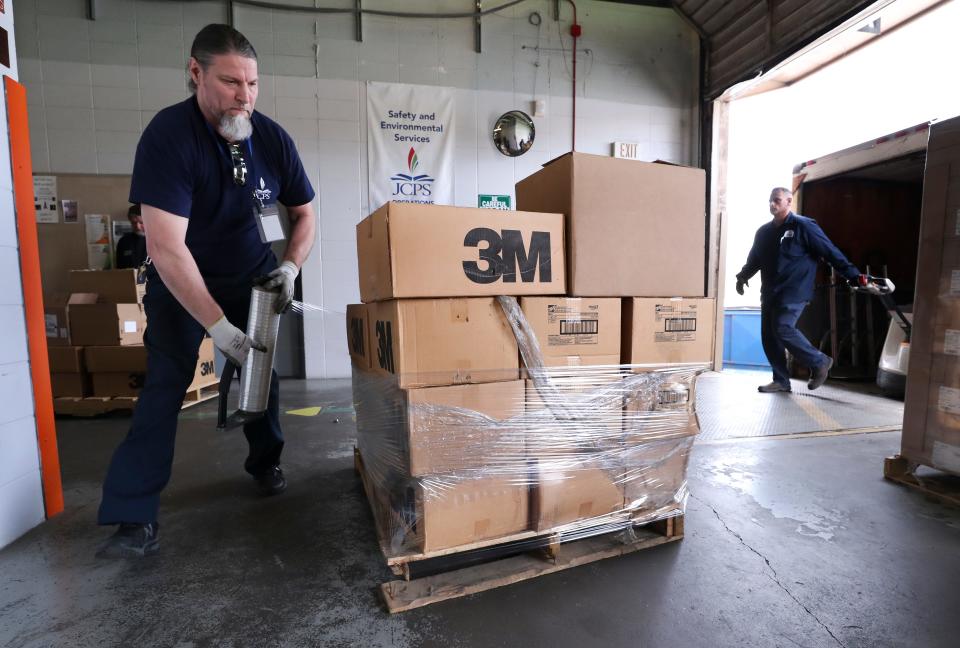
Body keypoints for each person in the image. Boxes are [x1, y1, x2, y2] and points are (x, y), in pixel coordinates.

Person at [96, 24, 317, 558]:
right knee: (165, 385)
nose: (244, 97)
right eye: (230, 83)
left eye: (253, 84)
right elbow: (169, 249)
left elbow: (304, 214)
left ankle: (265, 463)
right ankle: (133, 513)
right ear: (195, 73)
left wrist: (288, 268)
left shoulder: (270, 138)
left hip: (253, 274)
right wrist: (219, 330)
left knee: (260, 379)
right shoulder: (169, 138)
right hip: (182, 279)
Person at [735, 187, 864, 394]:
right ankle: (781, 380)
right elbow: (755, 259)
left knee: (782, 327)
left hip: (794, 291)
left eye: (777, 200)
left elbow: (831, 253)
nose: (772, 204)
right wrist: (742, 277)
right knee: (769, 336)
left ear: (788, 201)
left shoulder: (804, 226)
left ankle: (820, 361)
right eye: (770, 200)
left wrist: (855, 276)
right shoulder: (763, 232)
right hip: (770, 292)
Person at [115, 204, 147, 269]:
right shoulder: (123, 241)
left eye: (141, 222)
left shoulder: (155, 241)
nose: (138, 227)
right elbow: (119, 267)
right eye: (134, 223)